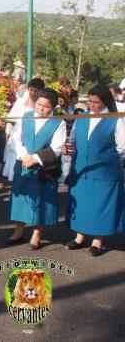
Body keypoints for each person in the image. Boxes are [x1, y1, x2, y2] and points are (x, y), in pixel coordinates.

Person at [66, 85, 125, 256]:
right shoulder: (82, 117)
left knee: (100, 206)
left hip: (104, 171)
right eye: (90, 101)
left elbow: (122, 147)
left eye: (96, 102)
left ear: (105, 102)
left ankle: (97, 241)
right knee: (82, 204)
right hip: (81, 169)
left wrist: (105, 157)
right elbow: (73, 139)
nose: (92, 105)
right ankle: (79, 237)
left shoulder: (115, 119)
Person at [4, 89, 66, 250]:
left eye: (46, 106)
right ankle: (18, 231)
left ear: (53, 106)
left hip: (43, 169)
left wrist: (35, 159)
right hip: (23, 164)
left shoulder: (59, 123)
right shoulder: (26, 116)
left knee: (42, 200)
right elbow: (16, 138)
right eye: (39, 104)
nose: (41, 109)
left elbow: (57, 148)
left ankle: (37, 234)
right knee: (20, 200)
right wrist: (24, 155)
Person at [2, 78, 45, 181]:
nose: (33, 93)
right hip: (18, 135)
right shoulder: (21, 102)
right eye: (31, 90)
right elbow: (11, 118)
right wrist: (9, 132)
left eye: (36, 91)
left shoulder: (41, 105)